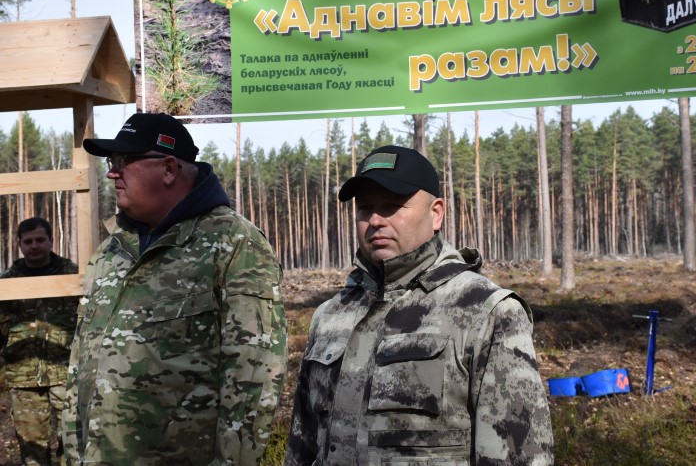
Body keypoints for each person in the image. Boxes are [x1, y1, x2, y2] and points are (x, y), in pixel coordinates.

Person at [285, 145, 554, 465]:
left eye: (392, 206)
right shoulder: (330, 316)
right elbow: (302, 445)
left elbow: (518, 455)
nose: (375, 220)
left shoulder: (485, 312)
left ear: (436, 213)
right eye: (365, 208)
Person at [62, 112, 287, 464]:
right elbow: (80, 364)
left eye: (123, 161)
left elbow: (253, 377)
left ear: (168, 169)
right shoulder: (111, 250)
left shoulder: (232, 242)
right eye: (111, 162)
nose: (112, 173)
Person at [0, 217, 79, 466]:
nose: (34, 246)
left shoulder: (73, 275)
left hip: (68, 372)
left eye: (40, 240)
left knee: (74, 441)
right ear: (19, 244)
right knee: (31, 445)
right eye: (28, 241)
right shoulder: (6, 282)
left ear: (51, 240)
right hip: (23, 375)